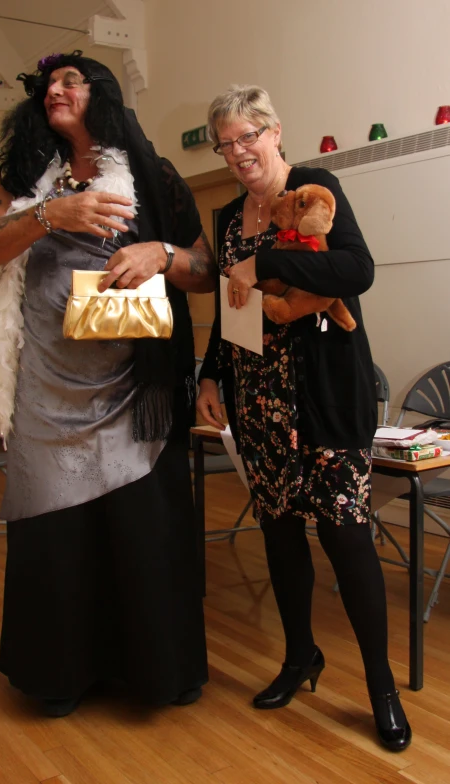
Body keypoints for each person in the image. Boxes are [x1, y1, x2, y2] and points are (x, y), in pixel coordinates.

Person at [0, 51, 215, 717]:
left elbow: (205, 268)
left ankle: (152, 674)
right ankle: (58, 676)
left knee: (140, 534)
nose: (55, 89)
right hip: (47, 392)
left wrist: (159, 254)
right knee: (58, 535)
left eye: (71, 80)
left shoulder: (155, 174)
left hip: (134, 390)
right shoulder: (25, 178)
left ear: (100, 94)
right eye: (48, 83)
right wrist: (51, 215)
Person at [196, 85, 411, 752]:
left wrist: (267, 259)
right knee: (281, 534)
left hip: (324, 396)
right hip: (259, 398)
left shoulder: (317, 187)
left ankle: (381, 688)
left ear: (274, 131)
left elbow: (357, 269)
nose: (237, 153)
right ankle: (299, 657)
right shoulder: (231, 218)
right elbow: (235, 302)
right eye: (225, 144)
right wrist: (211, 372)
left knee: (347, 541)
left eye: (246, 137)